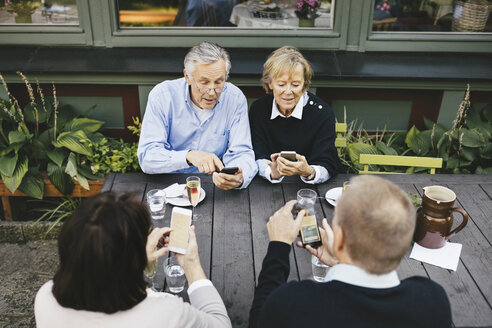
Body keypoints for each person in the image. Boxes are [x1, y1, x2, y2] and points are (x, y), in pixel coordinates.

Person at [249, 175, 452, 328]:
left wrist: (279, 245)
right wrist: (342, 261)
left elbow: (259, 319)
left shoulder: (293, 304)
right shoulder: (432, 301)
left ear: (340, 239)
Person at [34, 192, 232, 328]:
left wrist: (136, 260)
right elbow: (221, 324)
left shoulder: (45, 298)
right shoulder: (166, 314)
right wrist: (191, 265)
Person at [138, 41, 257, 190]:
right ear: (187, 77)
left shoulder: (235, 99)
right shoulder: (162, 96)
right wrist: (189, 156)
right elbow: (147, 158)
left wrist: (240, 176)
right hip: (166, 184)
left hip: (211, 185)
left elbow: (242, 152)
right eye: (204, 82)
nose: (212, 91)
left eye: (219, 82)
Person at [249, 46, 341, 185]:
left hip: (311, 188)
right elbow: (257, 153)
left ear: (304, 85)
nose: (288, 91)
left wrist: (308, 171)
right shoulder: (259, 109)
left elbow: (327, 161)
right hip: (268, 187)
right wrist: (271, 172)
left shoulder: (322, 113)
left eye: (295, 85)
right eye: (281, 84)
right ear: (270, 83)